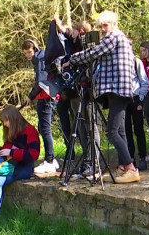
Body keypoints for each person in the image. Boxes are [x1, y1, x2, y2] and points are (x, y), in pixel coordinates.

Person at [64, 10, 140, 183]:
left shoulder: (113, 37)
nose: (103, 29)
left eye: (105, 25)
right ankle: (123, 166)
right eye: (101, 26)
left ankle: (131, 168)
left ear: (114, 24)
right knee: (120, 131)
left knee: (111, 132)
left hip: (117, 89)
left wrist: (72, 59)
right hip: (120, 90)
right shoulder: (119, 38)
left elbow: (93, 53)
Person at [0, 105, 40, 235]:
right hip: (7, 165)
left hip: (23, 168)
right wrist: (0, 150)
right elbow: (8, 150)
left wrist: (13, 152)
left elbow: (34, 154)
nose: (4, 124)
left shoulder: (30, 131)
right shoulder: (11, 131)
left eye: (6, 121)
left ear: (14, 119)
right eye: (3, 122)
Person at [54, 18, 99, 176]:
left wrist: (63, 28)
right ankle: (86, 162)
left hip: (86, 90)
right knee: (80, 127)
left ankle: (94, 163)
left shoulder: (88, 42)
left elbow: (76, 37)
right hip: (74, 90)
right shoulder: (73, 48)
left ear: (81, 32)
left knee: (90, 126)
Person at [22, 39, 59, 174]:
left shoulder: (41, 59)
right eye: (25, 53)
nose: (28, 55)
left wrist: (30, 96)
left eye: (30, 52)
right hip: (45, 96)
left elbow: (41, 82)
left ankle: (49, 160)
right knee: (42, 127)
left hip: (47, 96)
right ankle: (51, 158)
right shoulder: (39, 59)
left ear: (35, 49)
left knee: (45, 128)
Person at [125, 44, 149, 171]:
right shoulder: (118, 61)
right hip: (123, 100)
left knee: (139, 129)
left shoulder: (136, 62)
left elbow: (144, 81)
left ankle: (142, 158)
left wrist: (140, 97)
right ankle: (130, 159)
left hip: (135, 98)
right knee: (126, 130)